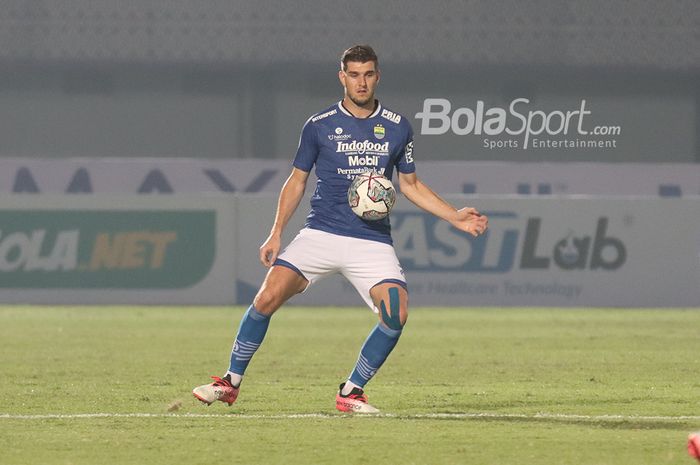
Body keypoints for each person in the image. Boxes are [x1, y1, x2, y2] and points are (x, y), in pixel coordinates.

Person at [192, 45, 488, 413]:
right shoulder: (319, 125)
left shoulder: (397, 127)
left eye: (367, 74)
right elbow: (297, 181)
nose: (361, 82)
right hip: (321, 233)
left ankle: (351, 392)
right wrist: (276, 232)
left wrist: (455, 217)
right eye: (354, 74)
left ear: (377, 76)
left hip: (371, 239)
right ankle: (230, 382)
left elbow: (410, 185)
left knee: (397, 312)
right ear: (342, 77)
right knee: (266, 297)